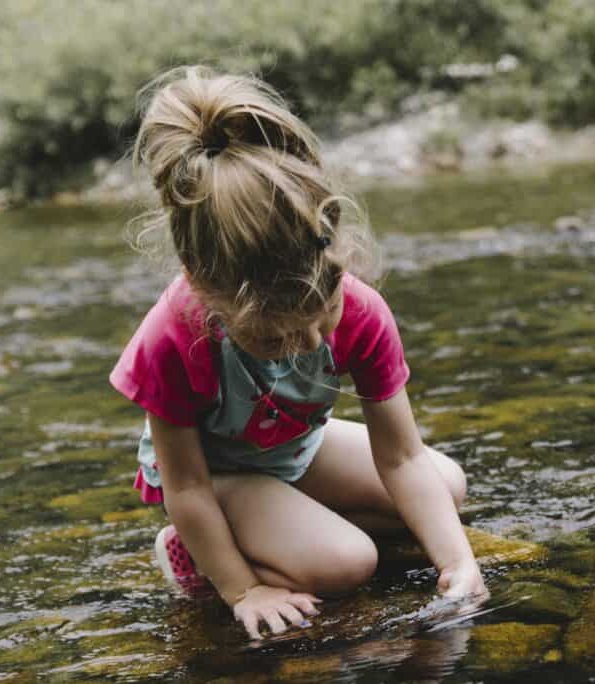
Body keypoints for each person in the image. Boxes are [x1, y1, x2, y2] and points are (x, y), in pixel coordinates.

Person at [109, 66, 486, 640]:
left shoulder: (360, 311)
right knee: (348, 564)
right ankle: (198, 554)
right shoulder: (173, 337)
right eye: (275, 339)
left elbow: (402, 458)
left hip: (294, 448)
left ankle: (287, 526)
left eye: (321, 318)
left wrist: (458, 563)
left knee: (446, 487)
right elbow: (184, 487)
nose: (310, 344)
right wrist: (244, 589)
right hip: (219, 478)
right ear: (208, 294)